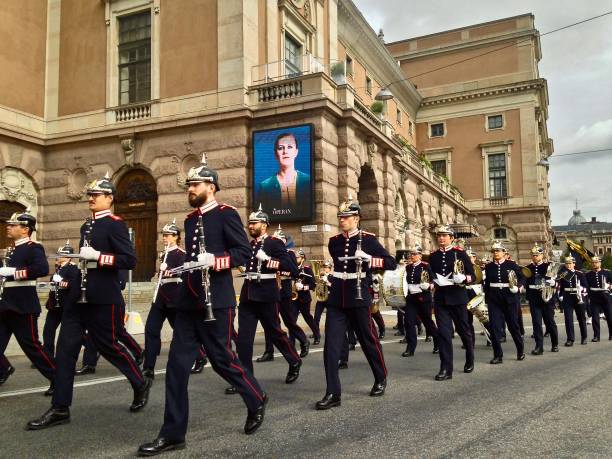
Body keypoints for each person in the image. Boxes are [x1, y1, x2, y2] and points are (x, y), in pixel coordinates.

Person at [138, 155, 267, 456]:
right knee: (176, 368)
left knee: (222, 361)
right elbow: (194, 257)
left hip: (216, 302)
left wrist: (217, 261)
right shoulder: (190, 219)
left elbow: (242, 252)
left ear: (211, 186)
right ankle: (172, 434)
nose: (190, 189)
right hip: (188, 302)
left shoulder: (226, 214)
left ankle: (256, 397)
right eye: (188, 185)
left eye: (194, 184)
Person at [27, 173, 150, 430]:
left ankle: (139, 382)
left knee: (109, 347)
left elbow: (129, 260)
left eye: (96, 195)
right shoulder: (87, 225)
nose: (91, 199)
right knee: (65, 350)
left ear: (109, 199)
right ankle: (61, 408)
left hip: (103, 297)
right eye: (90, 195)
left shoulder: (115, 224)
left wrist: (99, 256)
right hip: (79, 298)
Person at [315, 195, 396, 410]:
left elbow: (391, 262)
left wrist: (370, 260)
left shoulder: (368, 240)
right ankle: (333, 392)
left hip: (359, 297)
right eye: (341, 217)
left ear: (357, 219)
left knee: (368, 340)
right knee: (331, 345)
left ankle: (380, 376)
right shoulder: (334, 242)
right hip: (337, 298)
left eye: (347, 217)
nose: (342, 220)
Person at [233, 205, 302, 389]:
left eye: (254, 223)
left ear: (264, 225)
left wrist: (268, 261)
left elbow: (291, 268)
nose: (250, 226)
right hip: (249, 295)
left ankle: (294, 360)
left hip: (267, 294)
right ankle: (245, 379)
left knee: (275, 333)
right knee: (244, 340)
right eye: (249, 223)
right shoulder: (249, 245)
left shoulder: (274, 243)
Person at [142, 219, 208, 381]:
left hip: (174, 298)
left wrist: (171, 271)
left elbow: (185, 273)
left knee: (180, 331)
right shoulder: (163, 254)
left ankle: (200, 356)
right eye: (164, 235)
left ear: (177, 237)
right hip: (160, 299)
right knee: (151, 329)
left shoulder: (181, 254)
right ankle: (148, 367)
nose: (165, 238)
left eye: (169, 235)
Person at [0, 209, 55, 394]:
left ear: (25, 229)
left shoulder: (33, 247)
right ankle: (3, 369)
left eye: (13, 225)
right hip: (5, 305)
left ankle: (57, 379)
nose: (8, 227)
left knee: (32, 348)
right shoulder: (12, 250)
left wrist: (13, 273)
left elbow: (41, 269)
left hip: (22, 307)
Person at [255, 226, 309, 362]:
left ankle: (303, 340)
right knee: (270, 322)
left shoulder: (289, 253)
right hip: (271, 290)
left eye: (280, 239)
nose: (277, 241)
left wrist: (279, 270)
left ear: (284, 241)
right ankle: (269, 351)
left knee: (289, 321)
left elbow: (294, 272)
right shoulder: (268, 252)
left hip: (284, 291)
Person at [428, 225, 475, 381]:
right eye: (439, 235)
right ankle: (446, 368)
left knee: (463, 330)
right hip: (441, 299)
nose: (441, 238)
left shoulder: (460, 254)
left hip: (458, 297)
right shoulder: (433, 256)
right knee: (444, 334)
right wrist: (432, 282)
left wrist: (464, 278)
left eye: (444, 235)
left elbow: (473, 276)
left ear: (451, 238)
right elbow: (431, 274)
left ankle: (470, 357)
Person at [483, 241, 525, 364]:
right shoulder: (489, 266)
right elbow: (487, 284)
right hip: (494, 300)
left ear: (504, 252)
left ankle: (520, 350)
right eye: (494, 251)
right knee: (495, 328)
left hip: (509, 299)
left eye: (498, 251)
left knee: (513, 326)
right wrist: (486, 299)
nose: (495, 253)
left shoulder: (512, 264)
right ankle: (498, 355)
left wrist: (518, 287)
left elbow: (522, 277)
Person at [255, 132, 310, 218]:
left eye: (289, 147)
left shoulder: (308, 181)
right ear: (276, 154)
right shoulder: (265, 186)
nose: (285, 151)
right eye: (281, 148)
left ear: (296, 152)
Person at [42, 241, 80, 359]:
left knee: (69, 333)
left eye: (60, 255)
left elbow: (74, 284)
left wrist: (61, 282)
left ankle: (91, 346)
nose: (57, 257)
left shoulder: (73, 269)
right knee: (48, 331)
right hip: (55, 306)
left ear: (67, 257)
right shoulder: (59, 268)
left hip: (66, 305)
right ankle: (48, 356)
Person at [401, 246, 438, 357]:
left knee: (428, 322)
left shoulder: (425, 266)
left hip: (423, 297)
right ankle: (410, 348)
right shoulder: (408, 267)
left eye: (415, 254)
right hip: (411, 298)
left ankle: (437, 342)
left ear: (420, 255)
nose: (412, 256)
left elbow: (434, 281)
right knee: (408, 322)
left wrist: (429, 286)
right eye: (411, 254)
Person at [524, 243, 559, 354]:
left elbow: (556, 281)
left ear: (542, 255)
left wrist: (553, 282)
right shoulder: (528, 268)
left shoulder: (549, 266)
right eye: (533, 255)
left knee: (550, 322)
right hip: (534, 299)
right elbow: (525, 282)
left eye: (537, 255)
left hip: (547, 299)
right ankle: (539, 347)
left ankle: (555, 344)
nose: (535, 257)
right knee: (536, 323)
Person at [559, 256, 588, 346]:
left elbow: (586, 286)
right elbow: (560, 286)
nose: (568, 265)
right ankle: (570, 339)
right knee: (568, 319)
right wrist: (560, 295)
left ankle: (584, 337)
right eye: (567, 263)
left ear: (574, 264)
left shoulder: (579, 274)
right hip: (567, 297)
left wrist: (581, 289)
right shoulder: (563, 274)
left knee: (581, 318)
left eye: (570, 263)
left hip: (578, 297)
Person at [292, 248, 320, 345]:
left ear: (302, 258)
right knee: (292, 320)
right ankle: (291, 341)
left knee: (307, 317)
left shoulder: (307, 269)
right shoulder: (291, 268)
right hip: (293, 298)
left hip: (304, 298)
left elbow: (313, 285)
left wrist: (303, 287)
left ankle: (317, 335)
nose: (295, 259)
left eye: (297, 257)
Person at [586, 256, 612, 341]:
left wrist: (609, 286)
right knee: (595, 318)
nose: (594, 264)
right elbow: (587, 287)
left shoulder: (607, 273)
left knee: (609, 317)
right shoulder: (588, 274)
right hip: (594, 298)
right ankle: (596, 336)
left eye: (596, 262)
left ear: (600, 263)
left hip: (605, 297)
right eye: (593, 263)